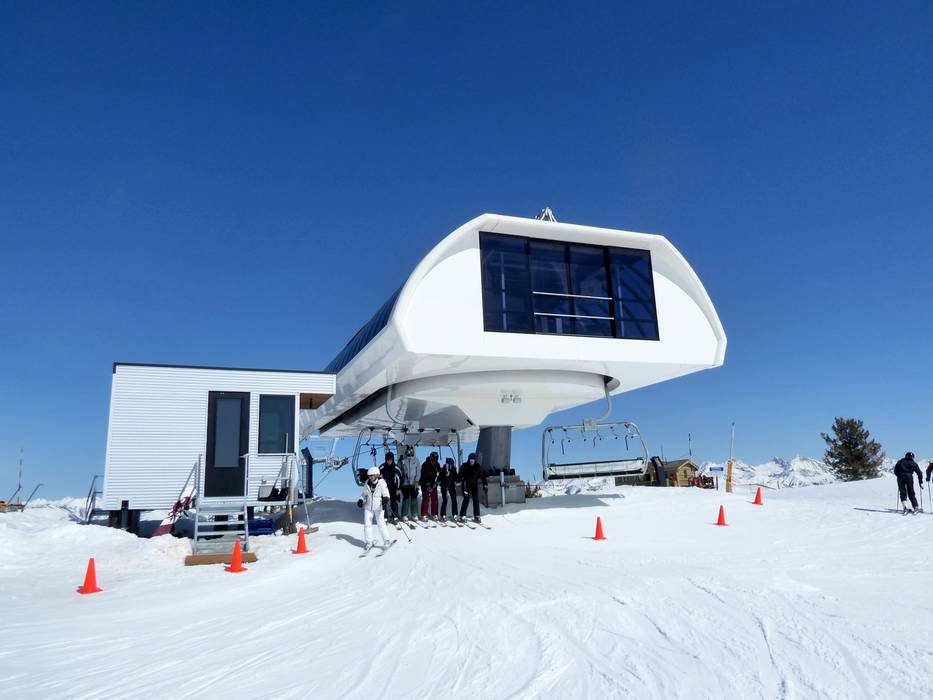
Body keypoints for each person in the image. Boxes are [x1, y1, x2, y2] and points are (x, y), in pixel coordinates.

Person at [357, 467, 392, 550]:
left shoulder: (382, 483)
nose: (370, 477)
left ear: (376, 475)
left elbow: (386, 493)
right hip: (368, 506)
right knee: (367, 524)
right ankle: (369, 542)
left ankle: (387, 540)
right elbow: (364, 494)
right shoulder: (367, 483)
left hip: (379, 506)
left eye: (372, 475)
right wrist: (361, 500)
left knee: (381, 524)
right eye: (369, 476)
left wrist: (386, 499)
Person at [458, 452, 488, 523]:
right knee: (466, 499)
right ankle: (462, 515)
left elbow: (483, 477)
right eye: (470, 460)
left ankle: (477, 516)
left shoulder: (478, 467)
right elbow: (459, 475)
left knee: (476, 499)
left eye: (473, 460)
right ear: (468, 460)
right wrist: (459, 479)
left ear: (475, 460)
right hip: (466, 485)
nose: (471, 462)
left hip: (474, 485)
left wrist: (485, 485)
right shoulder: (464, 466)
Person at [379, 451, 401, 523]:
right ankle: (386, 516)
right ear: (386, 460)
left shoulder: (396, 468)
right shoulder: (382, 467)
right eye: (388, 460)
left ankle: (395, 516)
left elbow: (399, 479)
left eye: (391, 460)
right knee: (385, 501)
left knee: (394, 502)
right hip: (385, 488)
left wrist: (398, 489)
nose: (389, 461)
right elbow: (378, 478)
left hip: (394, 488)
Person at [400, 446, 421, 522]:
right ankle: (404, 515)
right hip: (405, 483)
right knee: (406, 499)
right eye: (408, 451)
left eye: (411, 451)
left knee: (414, 499)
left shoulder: (416, 460)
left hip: (413, 483)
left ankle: (414, 514)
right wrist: (403, 472)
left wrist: (416, 481)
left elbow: (418, 471)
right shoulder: (403, 461)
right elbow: (399, 470)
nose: (409, 452)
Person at [419, 452, 440, 521]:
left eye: (435, 461)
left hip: (433, 484)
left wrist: (436, 483)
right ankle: (423, 514)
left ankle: (434, 514)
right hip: (425, 484)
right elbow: (423, 476)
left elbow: (439, 475)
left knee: (435, 499)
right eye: (433, 460)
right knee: (426, 499)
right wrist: (427, 485)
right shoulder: (425, 465)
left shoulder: (437, 465)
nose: (434, 462)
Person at [439, 457, 459, 522]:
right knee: (445, 500)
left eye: (451, 464)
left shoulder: (453, 469)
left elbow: (456, 478)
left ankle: (455, 514)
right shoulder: (443, 469)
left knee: (454, 500)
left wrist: (459, 479)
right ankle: (443, 515)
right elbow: (439, 478)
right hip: (444, 487)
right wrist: (444, 475)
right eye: (449, 464)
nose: (450, 466)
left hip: (451, 486)